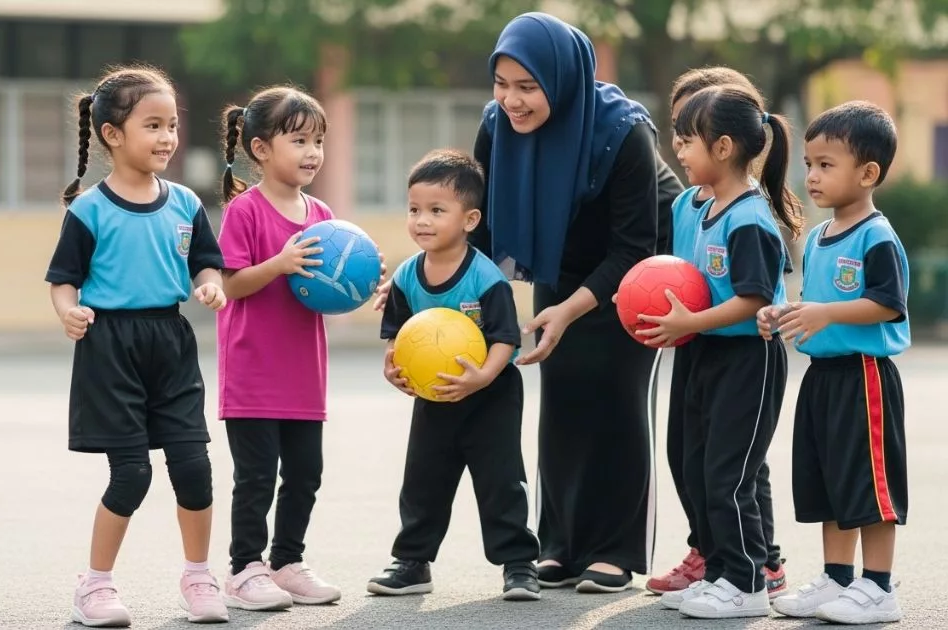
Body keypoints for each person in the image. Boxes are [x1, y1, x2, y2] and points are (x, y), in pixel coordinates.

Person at [475, 13, 684, 592]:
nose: (512, 101)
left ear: (562, 79)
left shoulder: (624, 132)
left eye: (527, 86)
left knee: (615, 398)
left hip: (644, 268)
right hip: (562, 257)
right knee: (564, 394)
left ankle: (615, 551)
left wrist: (568, 310)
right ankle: (562, 546)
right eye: (502, 83)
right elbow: (479, 228)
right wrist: (424, 283)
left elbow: (633, 245)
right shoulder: (497, 125)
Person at [45, 65, 229, 626]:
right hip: (110, 345)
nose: (168, 137)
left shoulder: (185, 203)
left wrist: (210, 285)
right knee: (132, 474)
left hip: (170, 342)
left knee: (194, 468)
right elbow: (62, 278)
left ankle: (198, 577)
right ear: (112, 135)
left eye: (172, 124)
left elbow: (206, 260)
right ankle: (95, 587)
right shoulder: (89, 208)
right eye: (153, 124)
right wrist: (68, 312)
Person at [647, 84, 800, 618]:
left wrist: (690, 321)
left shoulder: (749, 219)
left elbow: (753, 297)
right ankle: (717, 571)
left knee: (727, 475)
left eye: (686, 141)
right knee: (692, 466)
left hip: (746, 360)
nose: (678, 151)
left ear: (724, 147)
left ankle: (748, 581)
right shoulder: (691, 204)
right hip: (700, 354)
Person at [367, 148, 542, 602]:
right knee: (423, 480)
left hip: (491, 395)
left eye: (436, 211)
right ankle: (412, 562)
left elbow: (506, 338)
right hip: (436, 397)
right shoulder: (407, 276)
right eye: (414, 210)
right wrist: (394, 367)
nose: (422, 220)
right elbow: (399, 335)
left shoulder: (486, 278)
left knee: (501, 480)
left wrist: (481, 377)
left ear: (469, 220)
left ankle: (519, 565)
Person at [763, 101, 908, 624]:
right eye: (808, 163)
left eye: (826, 164)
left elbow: (889, 302)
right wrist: (783, 314)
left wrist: (826, 313)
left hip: (863, 376)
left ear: (868, 173)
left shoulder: (877, 236)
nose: (813, 175)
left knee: (870, 485)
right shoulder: (820, 237)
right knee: (830, 482)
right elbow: (816, 304)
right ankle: (837, 578)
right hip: (822, 377)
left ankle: (878, 587)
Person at [215, 86, 342, 610]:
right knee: (257, 478)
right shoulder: (245, 210)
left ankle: (287, 562)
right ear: (262, 148)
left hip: (304, 375)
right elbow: (231, 283)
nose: (312, 152)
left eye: (318, 141)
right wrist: (280, 263)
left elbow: (331, 290)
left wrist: (362, 281)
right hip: (252, 375)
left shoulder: (323, 213)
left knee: (305, 475)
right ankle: (245, 568)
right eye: (299, 140)